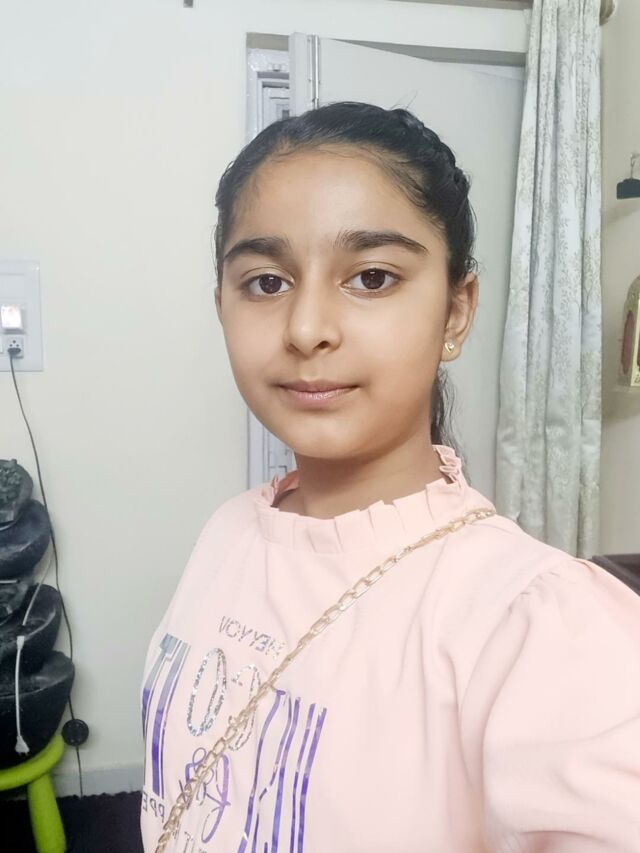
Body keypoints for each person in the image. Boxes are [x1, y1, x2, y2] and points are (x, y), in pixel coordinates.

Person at [140, 101, 640, 853]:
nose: (306, 328)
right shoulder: (229, 530)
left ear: (455, 312)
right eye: (266, 283)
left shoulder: (530, 626)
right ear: (222, 305)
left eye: (371, 277)